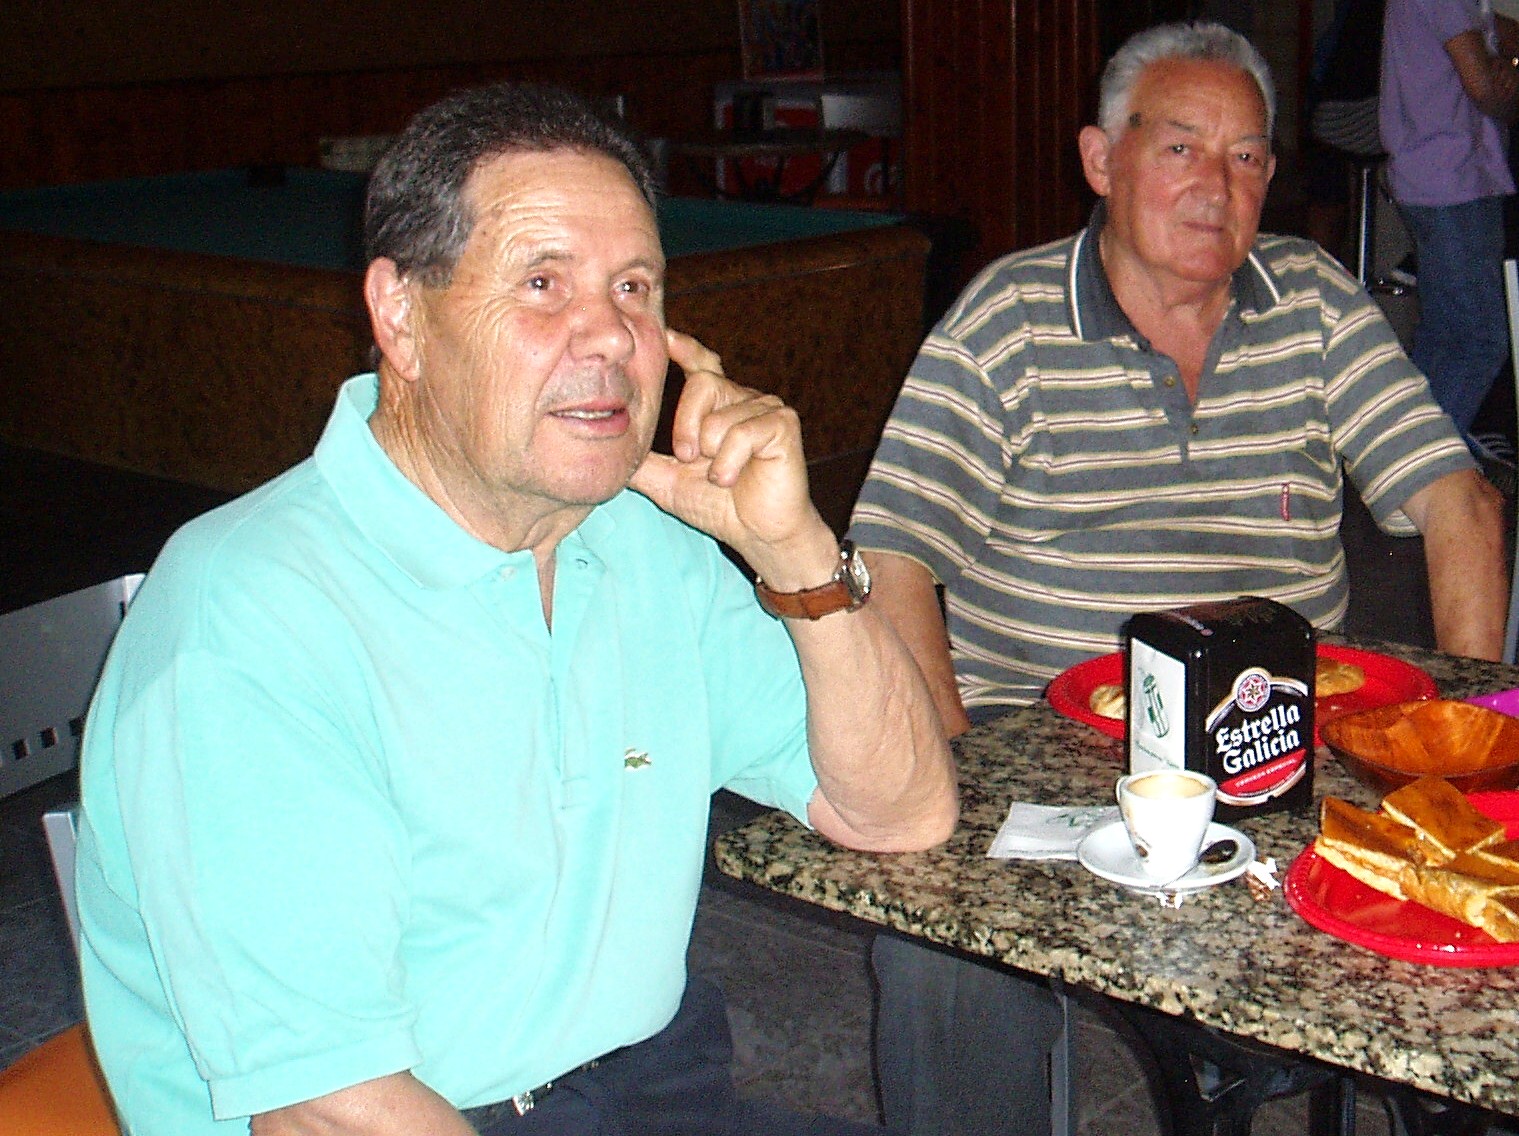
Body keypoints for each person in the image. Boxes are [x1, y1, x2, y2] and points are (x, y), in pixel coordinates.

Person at [72, 83, 958, 1136]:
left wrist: (795, 550)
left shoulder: (640, 542)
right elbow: (331, 1107)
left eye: (634, 287)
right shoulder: (250, 618)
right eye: (542, 283)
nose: (609, 335)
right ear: (401, 315)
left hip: (648, 1083)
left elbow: (898, 812)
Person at [850, 20, 1508, 1136]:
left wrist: (1454, 759)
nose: (1218, 185)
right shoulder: (1009, 318)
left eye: (1246, 155)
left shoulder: (1309, 300)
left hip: (1284, 754)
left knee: (1463, 913)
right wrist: (954, 766)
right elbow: (891, 557)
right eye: (1180, 148)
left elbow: (1462, 505)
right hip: (1049, 756)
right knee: (939, 953)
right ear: (1100, 160)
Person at [1380, 0, 1519, 450]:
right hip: (1451, 178)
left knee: (1445, 336)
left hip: (1442, 174)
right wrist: (1506, 82)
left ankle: (1401, 454)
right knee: (1480, 339)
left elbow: (1498, 43)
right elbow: (1483, 86)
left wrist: (1506, 65)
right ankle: (1424, 462)